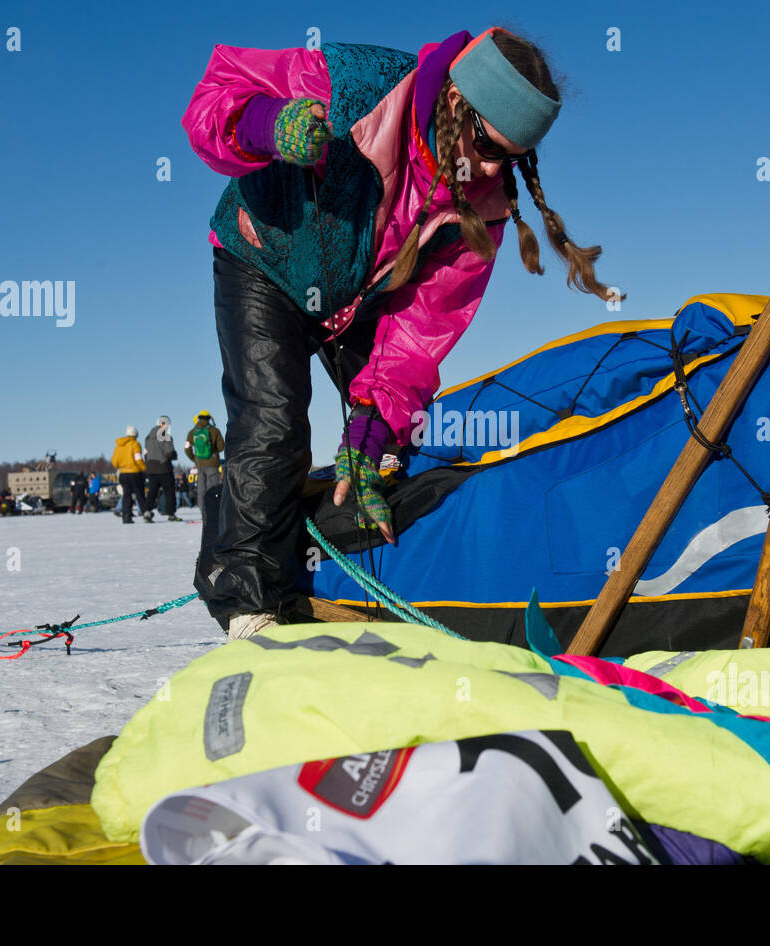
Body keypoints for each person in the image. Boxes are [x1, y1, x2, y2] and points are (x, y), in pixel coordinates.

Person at [182, 28, 620, 640]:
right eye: (487, 142)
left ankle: (361, 573)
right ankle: (243, 599)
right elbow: (215, 95)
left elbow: (419, 328)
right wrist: (265, 126)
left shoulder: (485, 208)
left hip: (355, 297)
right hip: (265, 256)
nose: (492, 167)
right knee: (275, 418)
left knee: (392, 444)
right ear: (457, 102)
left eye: (512, 157)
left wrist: (370, 424)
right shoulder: (358, 85)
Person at [184, 411, 225, 516]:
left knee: (201, 489)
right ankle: (214, 511)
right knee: (213, 488)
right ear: (209, 418)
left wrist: (194, 459)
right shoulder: (214, 431)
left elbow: (187, 448)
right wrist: (213, 452)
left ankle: (203, 512)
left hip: (199, 465)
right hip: (212, 463)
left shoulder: (192, 432)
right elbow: (221, 446)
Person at [143, 415, 181, 522]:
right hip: (163, 468)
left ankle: (147, 512)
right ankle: (171, 514)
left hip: (150, 468)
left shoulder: (148, 437)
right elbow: (169, 453)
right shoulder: (165, 435)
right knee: (169, 491)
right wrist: (175, 455)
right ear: (164, 424)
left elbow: (145, 454)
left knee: (152, 491)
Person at [111, 426, 147, 524]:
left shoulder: (119, 445)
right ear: (136, 434)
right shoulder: (135, 444)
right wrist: (144, 468)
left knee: (126, 495)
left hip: (123, 474)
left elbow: (114, 462)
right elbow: (138, 459)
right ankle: (146, 513)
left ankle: (126, 517)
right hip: (134, 473)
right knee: (139, 493)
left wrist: (121, 466)